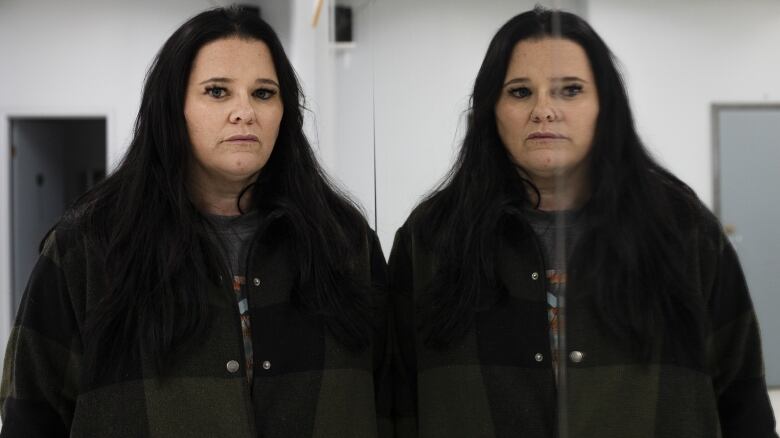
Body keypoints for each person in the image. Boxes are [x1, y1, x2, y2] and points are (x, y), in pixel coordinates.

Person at [0, 7, 390, 438]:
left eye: (263, 93)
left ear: (285, 111)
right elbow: (29, 418)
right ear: (173, 107)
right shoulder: (87, 249)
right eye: (218, 91)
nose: (245, 112)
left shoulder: (345, 244)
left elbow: (390, 402)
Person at [388, 7, 777, 438]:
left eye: (569, 90)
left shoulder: (682, 231)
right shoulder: (433, 238)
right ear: (489, 111)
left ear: (605, 106)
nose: (544, 110)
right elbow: (399, 403)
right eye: (520, 92)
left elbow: (743, 402)